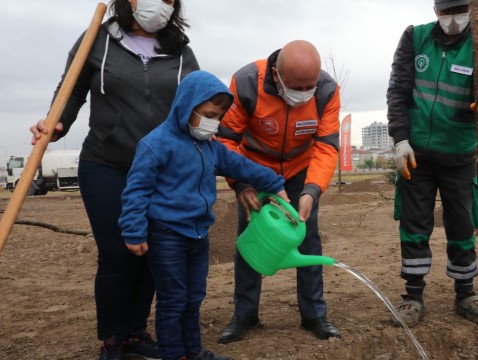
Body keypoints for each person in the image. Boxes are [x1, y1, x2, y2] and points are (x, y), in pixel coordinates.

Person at [29, 1, 199, 358]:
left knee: (154, 252)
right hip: (107, 163)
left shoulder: (180, 50)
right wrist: (56, 124)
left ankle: (136, 333)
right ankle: (112, 338)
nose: (160, 4)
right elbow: (71, 91)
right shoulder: (98, 39)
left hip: (160, 171)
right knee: (117, 253)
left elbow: (194, 101)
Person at [119, 70, 288, 360]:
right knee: (173, 300)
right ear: (187, 105)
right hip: (166, 235)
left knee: (194, 297)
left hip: (198, 235)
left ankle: (194, 351)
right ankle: (175, 355)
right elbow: (136, 191)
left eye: (218, 118)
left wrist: (275, 185)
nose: (214, 123)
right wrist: (133, 230)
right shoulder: (155, 144)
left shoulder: (210, 148)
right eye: (209, 114)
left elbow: (242, 167)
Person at [386, 0, 478, 326]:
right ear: (436, 10)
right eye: (444, 12)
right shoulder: (415, 37)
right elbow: (398, 89)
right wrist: (400, 140)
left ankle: (466, 294)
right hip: (417, 156)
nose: (451, 19)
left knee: (462, 225)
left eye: (458, 10)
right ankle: (412, 296)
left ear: (471, 8)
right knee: (414, 224)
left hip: (459, 154)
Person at [216, 40, 342, 342]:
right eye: (296, 86)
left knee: (308, 237)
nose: (303, 93)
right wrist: (242, 184)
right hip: (253, 170)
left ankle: (314, 314)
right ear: (276, 73)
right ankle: (244, 314)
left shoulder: (326, 90)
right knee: (251, 238)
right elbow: (226, 141)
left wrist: (312, 190)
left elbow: (326, 146)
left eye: (308, 86)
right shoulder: (246, 82)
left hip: (301, 170)